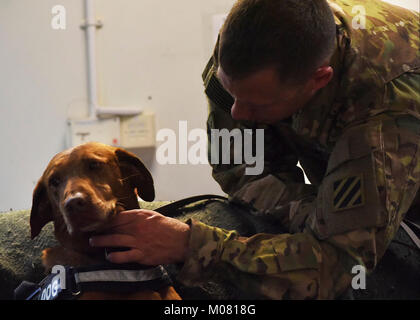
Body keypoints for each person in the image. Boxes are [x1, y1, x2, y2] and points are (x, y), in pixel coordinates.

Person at [89, 0, 420, 299]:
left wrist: (191, 246)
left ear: (318, 80)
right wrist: (310, 213)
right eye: (232, 95)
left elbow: (336, 267)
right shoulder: (245, 48)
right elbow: (241, 166)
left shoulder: (385, 108)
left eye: (256, 104)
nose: (237, 114)